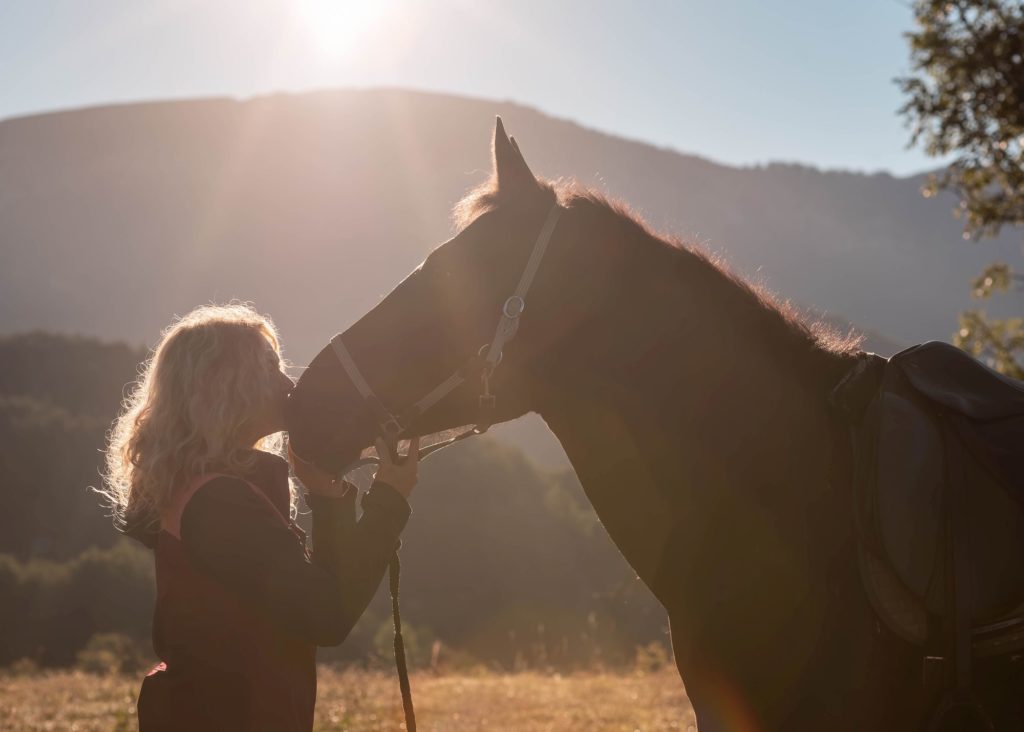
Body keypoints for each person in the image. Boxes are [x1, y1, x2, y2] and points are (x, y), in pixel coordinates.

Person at [100, 302, 420, 732]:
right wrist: (388, 501)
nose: (288, 384)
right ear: (222, 385)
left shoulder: (206, 490)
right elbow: (325, 614)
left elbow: (321, 589)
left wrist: (327, 498)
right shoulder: (219, 504)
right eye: (268, 369)